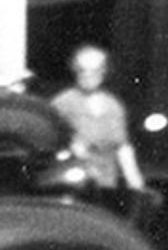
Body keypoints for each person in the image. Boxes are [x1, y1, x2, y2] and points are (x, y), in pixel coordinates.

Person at [50, 43, 148, 212]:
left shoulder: (113, 105)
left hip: (106, 184)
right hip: (75, 186)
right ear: (75, 71)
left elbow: (122, 146)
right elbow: (52, 141)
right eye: (82, 69)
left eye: (95, 70)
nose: (88, 75)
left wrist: (135, 181)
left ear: (104, 72)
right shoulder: (62, 102)